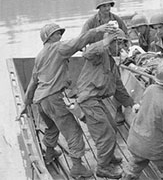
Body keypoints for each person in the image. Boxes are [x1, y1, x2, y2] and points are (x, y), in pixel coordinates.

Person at [24, 23, 111, 179]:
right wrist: (98, 30)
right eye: (58, 34)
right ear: (49, 37)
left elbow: (33, 81)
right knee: (73, 131)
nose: (60, 36)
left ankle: (50, 152)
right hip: (54, 98)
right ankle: (77, 168)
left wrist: (26, 102)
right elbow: (80, 40)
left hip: (40, 100)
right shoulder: (59, 48)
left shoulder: (40, 55)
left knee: (52, 126)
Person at [75, 29, 139, 179]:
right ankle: (103, 167)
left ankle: (108, 156)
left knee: (112, 127)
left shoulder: (112, 63)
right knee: (105, 134)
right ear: (112, 42)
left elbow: (118, 88)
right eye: (120, 43)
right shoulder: (99, 54)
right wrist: (105, 41)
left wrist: (132, 103)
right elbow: (87, 52)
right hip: (88, 100)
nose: (123, 47)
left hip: (96, 100)